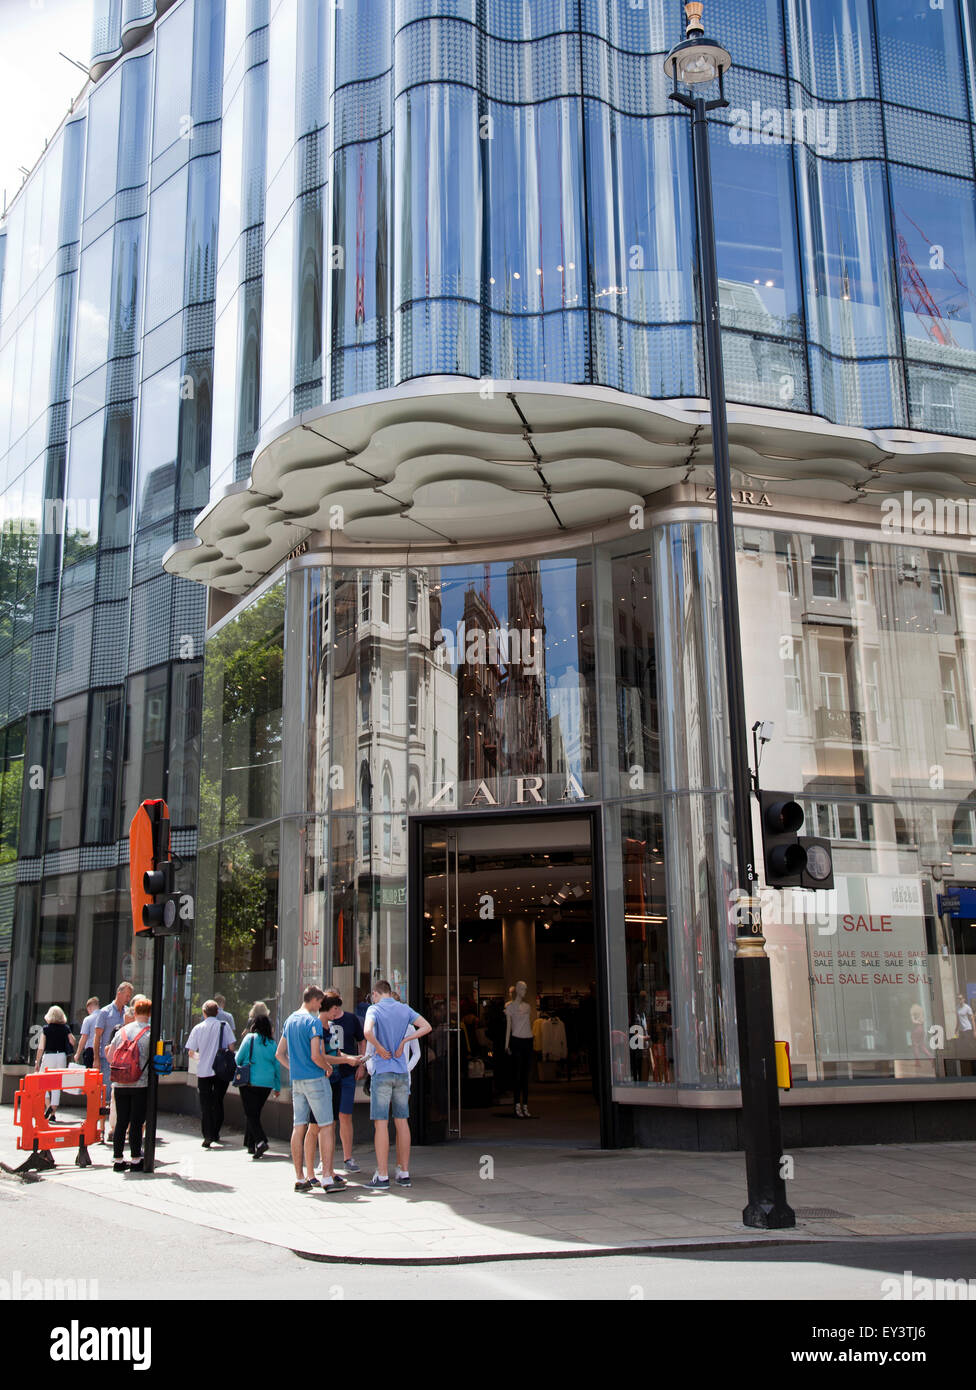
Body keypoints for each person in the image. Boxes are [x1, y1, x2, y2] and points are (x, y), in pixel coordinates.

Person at [275, 986, 345, 1194]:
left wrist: (294, 1068)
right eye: (320, 1002)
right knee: (325, 1126)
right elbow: (316, 1055)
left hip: (298, 1081)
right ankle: (326, 1178)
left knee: (299, 1127)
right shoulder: (312, 1021)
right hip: (315, 1079)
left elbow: (280, 1053)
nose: (321, 1006)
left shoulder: (290, 1020)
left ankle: (300, 1177)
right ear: (314, 1000)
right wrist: (328, 1067)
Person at [363, 980, 431, 1190]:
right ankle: (404, 1172)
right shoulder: (404, 1009)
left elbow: (367, 1032)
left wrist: (379, 1048)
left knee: (381, 1123)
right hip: (402, 1072)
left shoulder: (374, 1009)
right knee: (402, 1122)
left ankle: (382, 1175)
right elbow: (426, 1026)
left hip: (383, 1071)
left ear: (376, 993)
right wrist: (404, 1041)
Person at [106, 995, 153, 1172]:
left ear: (135, 1012)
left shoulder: (122, 1031)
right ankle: (135, 1159)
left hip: (120, 1083)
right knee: (136, 1122)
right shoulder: (150, 1033)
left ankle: (118, 1160)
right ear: (149, 1013)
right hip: (140, 1083)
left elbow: (110, 1057)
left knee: (121, 1122)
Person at [322, 988, 366, 1172]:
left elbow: (361, 1040)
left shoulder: (350, 1019)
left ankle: (348, 1157)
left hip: (347, 1073)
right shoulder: (322, 1023)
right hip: (329, 1073)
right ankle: (326, 1159)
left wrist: (361, 1063)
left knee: (345, 1115)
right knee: (328, 1119)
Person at [185, 1000, 236, 1148]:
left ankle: (207, 1134)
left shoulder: (198, 1028)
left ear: (203, 1012)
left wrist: (201, 1057)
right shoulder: (224, 1026)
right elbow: (231, 1047)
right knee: (218, 1101)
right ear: (217, 1012)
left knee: (205, 1104)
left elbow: (191, 1052)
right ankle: (215, 1132)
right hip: (220, 1070)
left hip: (204, 1070)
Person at [235, 1002, 281, 1157]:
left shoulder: (249, 1039)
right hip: (266, 1084)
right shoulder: (273, 1043)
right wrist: (277, 1087)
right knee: (254, 1113)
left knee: (251, 1113)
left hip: (250, 1082)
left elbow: (238, 1058)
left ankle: (261, 1141)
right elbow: (277, 1066)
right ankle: (250, 1144)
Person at [92, 982, 134, 1104]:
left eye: (130, 996)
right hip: (107, 1058)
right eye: (127, 995)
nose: (128, 998)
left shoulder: (128, 1013)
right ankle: (102, 1120)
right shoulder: (105, 1012)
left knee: (118, 1091)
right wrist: (96, 1058)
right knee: (106, 1090)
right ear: (119, 993)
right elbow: (97, 1036)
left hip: (124, 1059)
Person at [34, 1006, 75, 1121]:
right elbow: (72, 1041)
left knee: (44, 1083)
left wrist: (37, 1061)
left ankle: (48, 1107)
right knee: (57, 1084)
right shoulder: (65, 1028)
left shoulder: (46, 1028)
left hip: (49, 1056)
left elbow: (41, 1047)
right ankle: (53, 1111)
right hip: (61, 1056)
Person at [73, 997, 100, 1069]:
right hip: (103, 1050)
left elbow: (84, 1037)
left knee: (90, 1076)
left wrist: (77, 1054)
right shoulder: (105, 1017)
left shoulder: (88, 1019)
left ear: (89, 1008)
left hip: (91, 1050)